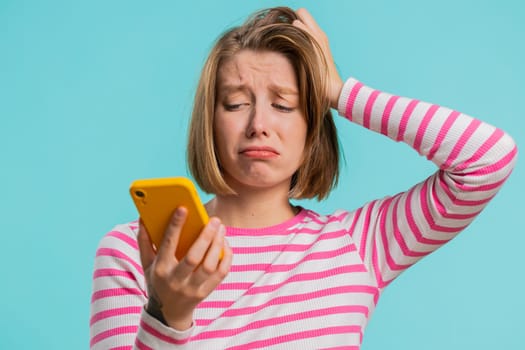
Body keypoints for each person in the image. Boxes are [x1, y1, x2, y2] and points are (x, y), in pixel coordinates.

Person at [89, 7, 517, 349]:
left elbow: (487, 159)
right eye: (236, 104)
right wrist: (168, 316)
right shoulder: (134, 251)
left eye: (285, 104)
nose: (259, 124)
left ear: (313, 124)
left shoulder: (359, 245)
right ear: (209, 121)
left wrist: (337, 90)